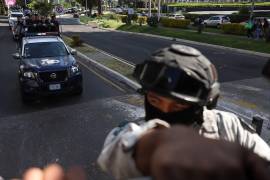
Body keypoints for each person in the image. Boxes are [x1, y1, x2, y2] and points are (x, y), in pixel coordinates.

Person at [97, 44, 270, 179]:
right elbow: (113, 154)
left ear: (201, 105)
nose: (164, 111)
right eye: (155, 101)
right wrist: (153, 146)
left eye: (178, 107)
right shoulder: (136, 132)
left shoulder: (228, 126)